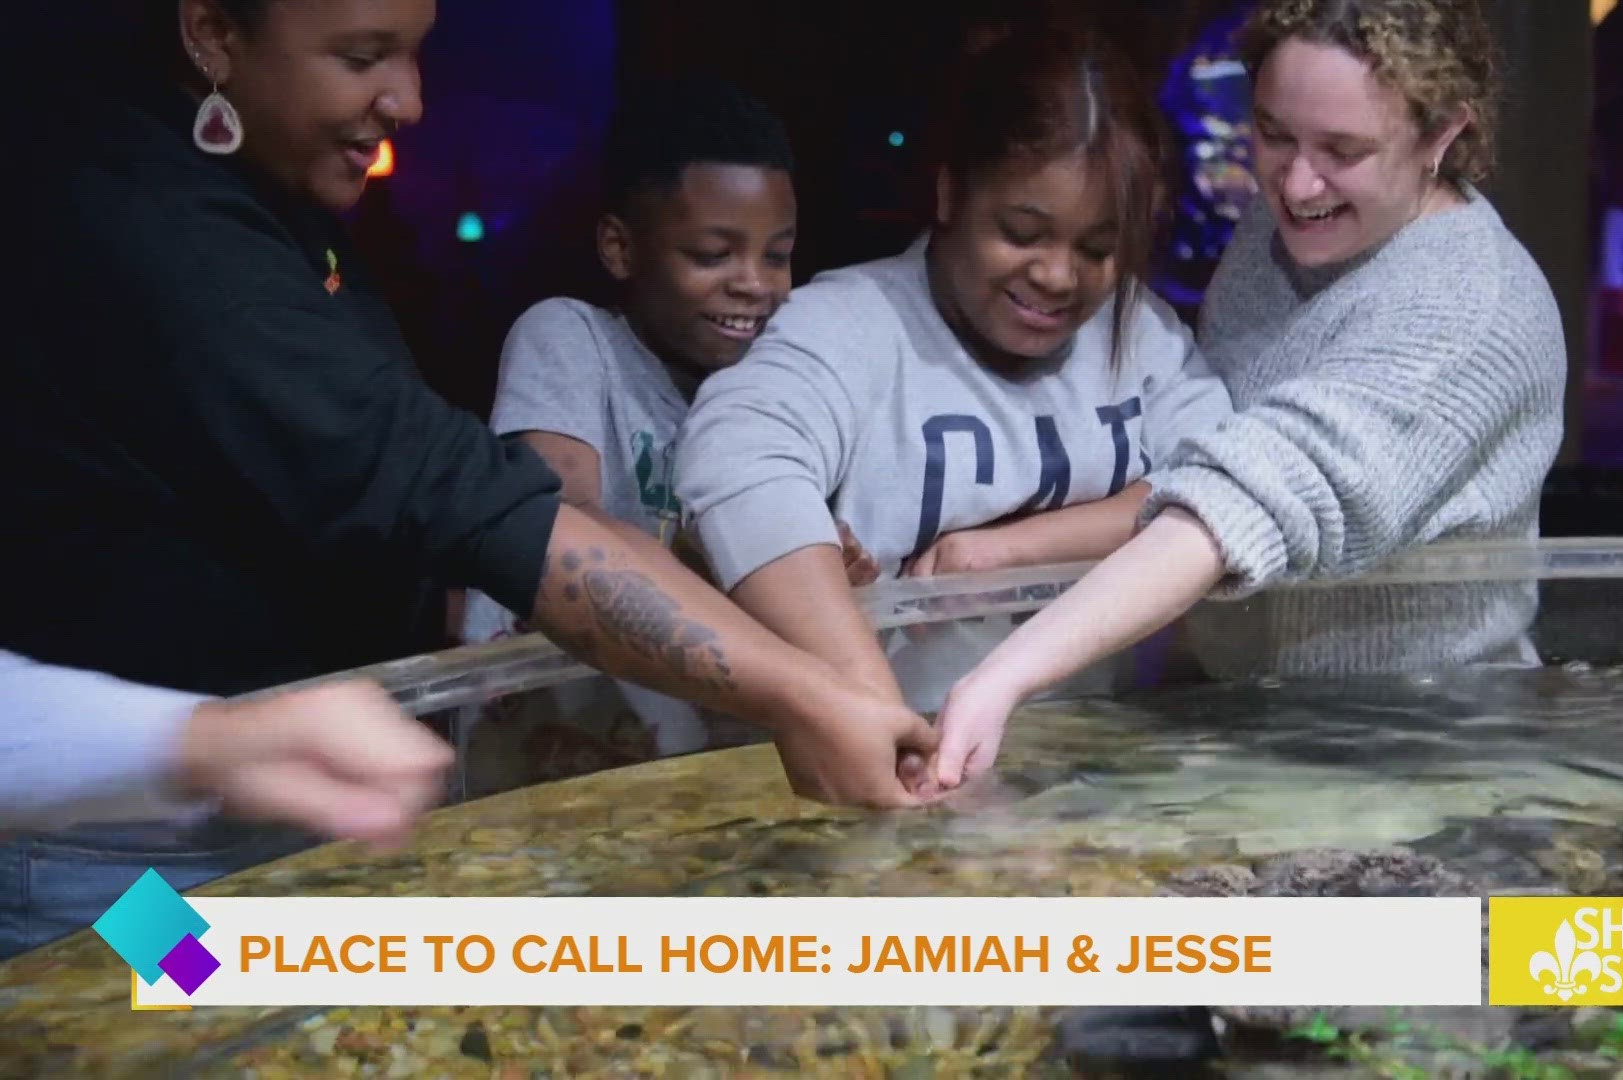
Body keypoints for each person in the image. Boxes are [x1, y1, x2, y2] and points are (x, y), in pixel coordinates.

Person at [0, 0, 934, 958]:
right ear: (211, 34)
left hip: (273, 803)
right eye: (363, 56)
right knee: (172, 1038)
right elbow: (473, 499)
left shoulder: (272, 203)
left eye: (414, 53)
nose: (407, 99)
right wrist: (807, 697)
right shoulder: (144, 218)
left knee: (303, 1043)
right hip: (119, 863)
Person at [923, 0, 1568, 789]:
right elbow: (1203, 446)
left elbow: (1245, 497)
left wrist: (1002, 678)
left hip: (1417, 753)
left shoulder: (1470, 309)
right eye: (1274, 133)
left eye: (1344, 150)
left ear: (1442, 136)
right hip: (1250, 730)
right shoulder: (1279, 228)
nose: (1296, 184)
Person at [673, 25, 1235, 716]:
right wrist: (864, 705)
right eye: (1021, 234)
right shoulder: (851, 327)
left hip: (1103, 750)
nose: (1058, 276)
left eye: (1098, 248)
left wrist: (1008, 552)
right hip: (897, 742)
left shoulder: (1140, 335)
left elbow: (1229, 489)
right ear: (949, 193)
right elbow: (732, 463)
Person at [457, 77, 826, 790]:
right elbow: (562, 519)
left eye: (776, 255)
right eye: (714, 254)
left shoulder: (776, 383)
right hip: (543, 751)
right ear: (621, 248)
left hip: (689, 758)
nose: (754, 283)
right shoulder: (569, 340)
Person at [1, 651, 451, 843]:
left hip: (286, 799)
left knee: (255, 1007)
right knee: (177, 1008)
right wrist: (208, 742)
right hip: (93, 845)